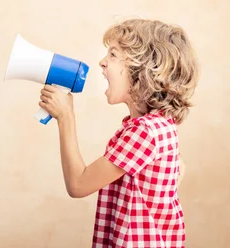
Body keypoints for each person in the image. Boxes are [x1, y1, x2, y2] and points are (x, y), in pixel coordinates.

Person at [38, 18, 199, 247]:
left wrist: (65, 118)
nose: (102, 63)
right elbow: (179, 168)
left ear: (143, 70)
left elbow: (78, 185)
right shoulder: (158, 125)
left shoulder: (144, 132)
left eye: (113, 55)